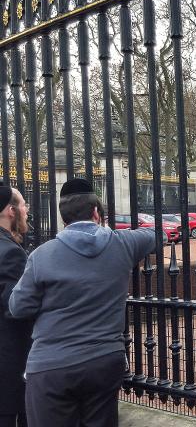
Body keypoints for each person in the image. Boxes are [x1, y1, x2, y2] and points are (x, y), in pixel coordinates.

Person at [9, 178, 155, 427]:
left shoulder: (41, 255)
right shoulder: (122, 244)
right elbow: (155, 233)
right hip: (104, 359)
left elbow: (18, 307)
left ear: (63, 217)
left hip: (52, 365)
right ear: (96, 213)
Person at [0, 183, 30, 427]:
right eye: (22, 204)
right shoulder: (10, 253)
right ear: (11, 211)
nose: (26, 209)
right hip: (8, 368)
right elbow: (16, 308)